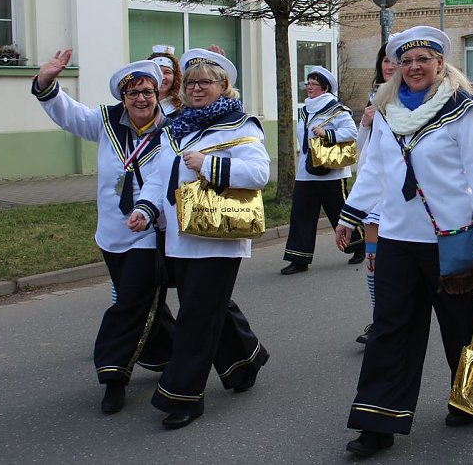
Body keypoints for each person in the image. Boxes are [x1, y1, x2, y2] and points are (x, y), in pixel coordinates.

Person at [334, 26, 473, 457]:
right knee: (390, 330)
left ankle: (472, 400)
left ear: (439, 64)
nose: (414, 67)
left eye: (423, 60)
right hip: (396, 238)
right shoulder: (387, 110)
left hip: (452, 239)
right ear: (396, 68)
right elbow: (374, 169)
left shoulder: (461, 110)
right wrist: (350, 215)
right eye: (406, 61)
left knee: (460, 326)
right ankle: (377, 423)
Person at [128, 48, 270, 429]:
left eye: (205, 82)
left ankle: (183, 397)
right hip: (178, 236)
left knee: (195, 315)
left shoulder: (240, 124)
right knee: (208, 306)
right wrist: (145, 209)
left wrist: (207, 163)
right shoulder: (176, 126)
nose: (195, 88)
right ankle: (245, 360)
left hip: (219, 237)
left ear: (224, 86)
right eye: (190, 82)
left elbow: (259, 173)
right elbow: (158, 177)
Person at [32, 52, 175, 415]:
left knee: (129, 303)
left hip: (152, 230)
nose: (141, 99)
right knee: (144, 305)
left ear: (158, 94)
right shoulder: (105, 122)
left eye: (147, 92)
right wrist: (46, 83)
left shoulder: (174, 126)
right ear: (122, 98)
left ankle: (112, 375)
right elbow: (70, 114)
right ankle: (169, 355)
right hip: (112, 231)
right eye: (133, 94)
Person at [279, 66, 364, 275]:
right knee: (301, 214)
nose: (309, 87)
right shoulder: (304, 110)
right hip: (306, 172)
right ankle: (298, 259)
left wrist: (328, 134)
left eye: (314, 84)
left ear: (325, 88)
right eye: (308, 83)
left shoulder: (337, 109)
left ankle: (359, 244)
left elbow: (351, 132)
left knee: (339, 211)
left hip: (332, 172)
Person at [354, 42, 396, 344]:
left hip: (401, 191)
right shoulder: (373, 98)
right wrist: (365, 123)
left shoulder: (414, 99)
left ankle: (399, 317)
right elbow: (362, 149)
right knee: (374, 259)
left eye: (396, 60)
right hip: (374, 190)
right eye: (385, 60)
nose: (389, 65)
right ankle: (379, 318)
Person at [148, 44, 183, 118]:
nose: (162, 77)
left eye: (167, 72)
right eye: (157, 72)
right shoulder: (139, 105)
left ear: (175, 76)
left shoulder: (184, 108)